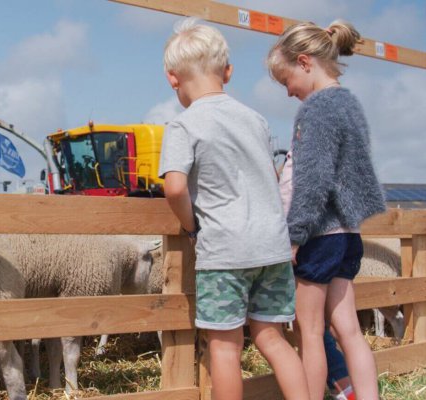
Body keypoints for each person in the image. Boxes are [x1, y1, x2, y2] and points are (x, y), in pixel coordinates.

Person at [159, 18, 309, 400]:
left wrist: (191, 226)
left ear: (172, 79)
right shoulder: (256, 120)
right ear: (227, 71)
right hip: (272, 248)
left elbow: (174, 186)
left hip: (225, 251)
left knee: (225, 346)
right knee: (272, 338)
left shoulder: (184, 125)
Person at [268, 20, 386, 400]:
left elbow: (308, 181)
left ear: (305, 62)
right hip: (348, 234)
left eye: (287, 81)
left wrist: (292, 238)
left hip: (318, 234)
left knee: (310, 331)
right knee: (348, 329)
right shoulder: (348, 104)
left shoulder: (315, 111)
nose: (288, 93)